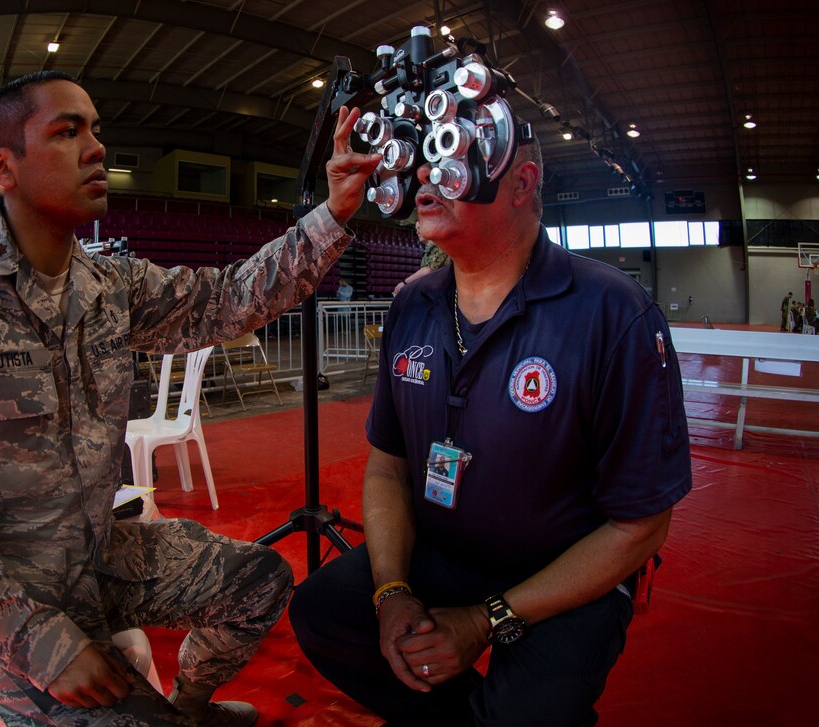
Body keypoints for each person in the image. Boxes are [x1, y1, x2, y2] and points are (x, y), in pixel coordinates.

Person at [0, 70, 380, 727]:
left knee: (262, 580)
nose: (96, 148)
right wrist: (41, 643)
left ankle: (189, 708)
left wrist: (334, 211)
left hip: (97, 557)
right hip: (8, 607)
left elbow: (229, 299)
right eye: (66, 132)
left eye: (95, 130)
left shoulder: (109, 281)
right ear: (3, 167)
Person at [290, 135, 692, 725]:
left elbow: (640, 525)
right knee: (323, 611)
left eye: (452, 164)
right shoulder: (414, 305)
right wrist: (393, 591)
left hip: (565, 574)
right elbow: (387, 466)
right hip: (444, 554)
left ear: (523, 184)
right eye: (422, 166)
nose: (426, 180)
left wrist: (485, 619)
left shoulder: (613, 312)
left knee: (526, 714)